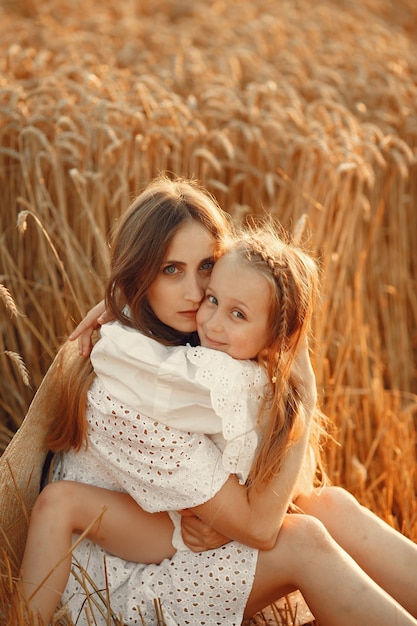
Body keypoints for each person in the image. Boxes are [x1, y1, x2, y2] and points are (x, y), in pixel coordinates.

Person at [16, 176, 417, 626]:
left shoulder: (203, 346)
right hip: (121, 585)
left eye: (206, 266)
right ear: (139, 276)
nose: (193, 293)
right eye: (171, 270)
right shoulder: (131, 393)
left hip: (172, 545)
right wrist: (304, 395)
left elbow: (281, 487)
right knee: (302, 539)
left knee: (330, 504)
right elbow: (260, 527)